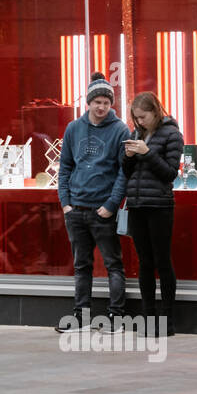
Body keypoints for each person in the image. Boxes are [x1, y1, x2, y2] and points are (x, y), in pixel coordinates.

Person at [55, 72, 130, 333]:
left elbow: (124, 171)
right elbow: (64, 167)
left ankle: (116, 317)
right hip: (76, 209)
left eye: (106, 103)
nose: (101, 107)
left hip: (103, 210)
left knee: (113, 265)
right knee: (81, 265)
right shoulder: (74, 128)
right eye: (97, 101)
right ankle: (81, 317)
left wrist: (111, 204)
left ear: (112, 105)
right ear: (88, 102)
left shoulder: (121, 129)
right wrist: (65, 202)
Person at [121, 92, 183, 335]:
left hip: (160, 205)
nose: (139, 122)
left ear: (156, 112)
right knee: (144, 263)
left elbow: (169, 173)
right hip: (136, 205)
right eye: (136, 118)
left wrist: (147, 152)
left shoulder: (172, 134)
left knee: (162, 261)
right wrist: (127, 157)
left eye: (143, 117)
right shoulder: (137, 134)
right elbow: (127, 172)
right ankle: (148, 318)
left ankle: (167, 321)